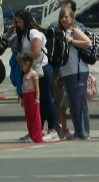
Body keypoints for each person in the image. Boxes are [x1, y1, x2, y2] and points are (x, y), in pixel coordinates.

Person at [12, 9, 59, 141]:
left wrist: (22, 57)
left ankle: (53, 129)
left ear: (25, 20)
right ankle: (37, 130)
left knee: (46, 99)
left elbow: (36, 52)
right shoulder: (24, 34)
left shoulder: (33, 33)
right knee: (37, 102)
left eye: (19, 21)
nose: (18, 24)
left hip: (41, 70)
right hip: (31, 71)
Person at [56, 7, 91, 140]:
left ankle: (84, 132)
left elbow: (88, 43)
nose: (64, 19)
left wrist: (72, 40)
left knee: (80, 103)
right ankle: (78, 131)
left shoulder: (74, 30)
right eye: (62, 17)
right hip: (67, 72)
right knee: (73, 104)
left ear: (72, 18)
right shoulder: (62, 32)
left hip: (78, 71)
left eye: (66, 17)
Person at [17, 52, 44, 143]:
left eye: (22, 65)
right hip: (26, 96)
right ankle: (31, 134)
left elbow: (37, 87)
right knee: (28, 117)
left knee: (35, 117)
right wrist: (23, 99)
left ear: (28, 63)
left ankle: (37, 135)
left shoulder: (34, 74)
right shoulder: (25, 74)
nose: (21, 67)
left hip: (32, 96)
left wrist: (37, 98)